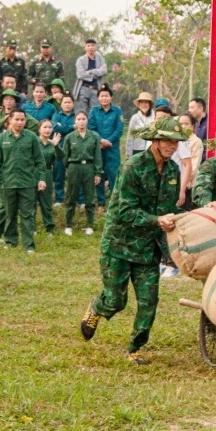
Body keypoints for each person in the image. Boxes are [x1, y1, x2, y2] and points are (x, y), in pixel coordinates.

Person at [80, 116, 187, 365]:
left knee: (149, 301)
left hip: (148, 248)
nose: (172, 146)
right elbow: (124, 211)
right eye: (168, 141)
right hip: (119, 244)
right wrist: (156, 220)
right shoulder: (133, 167)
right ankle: (97, 308)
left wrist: (183, 219)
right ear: (155, 141)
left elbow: (168, 207)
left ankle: (134, 348)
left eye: (176, 142)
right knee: (116, 301)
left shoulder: (173, 170)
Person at [0, 109, 46, 253]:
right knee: (10, 214)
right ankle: (10, 241)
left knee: (27, 214)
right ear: (10, 120)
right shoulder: (2, 138)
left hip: (27, 183)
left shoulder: (31, 137)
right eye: (17, 119)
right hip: (8, 182)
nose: (20, 122)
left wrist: (41, 179)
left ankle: (29, 245)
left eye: (22, 120)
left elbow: (40, 161)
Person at [61, 110, 103, 235]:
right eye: (78, 119)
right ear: (75, 121)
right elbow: (65, 156)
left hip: (89, 167)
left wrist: (98, 173)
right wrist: (68, 169)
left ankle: (90, 225)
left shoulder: (94, 136)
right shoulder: (69, 137)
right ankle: (68, 225)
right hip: (74, 167)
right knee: (71, 196)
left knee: (89, 198)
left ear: (87, 120)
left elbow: (97, 156)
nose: (81, 122)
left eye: (83, 119)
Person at [89, 86, 124, 207]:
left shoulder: (117, 111)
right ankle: (101, 202)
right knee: (99, 173)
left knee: (114, 174)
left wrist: (108, 141)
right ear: (98, 98)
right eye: (102, 96)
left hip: (112, 148)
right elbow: (91, 128)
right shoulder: (94, 111)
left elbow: (119, 129)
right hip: (98, 148)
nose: (104, 98)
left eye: (106, 96)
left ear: (111, 97)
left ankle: (115, 202)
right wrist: (101, 140)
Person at [35, 118, 62, 235]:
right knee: (31, 202)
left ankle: (49, 228)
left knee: (46, 202)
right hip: (33, 173)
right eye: (45, 127)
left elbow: (60, 157)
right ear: (39, 129)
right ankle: (31, 228)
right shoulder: (34, 142)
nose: (47, 130)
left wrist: (56, 146)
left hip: (47, 173)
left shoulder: (52, 144)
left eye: (50, 127)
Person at [51, 94, 77, 205]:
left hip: (75, 149)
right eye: (65, 102)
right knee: (59, 175)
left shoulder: (77, 115)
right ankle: (59, 199)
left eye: (69, 102)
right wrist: (72, 127)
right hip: (60, 148)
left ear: (73, 104)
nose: (67, 104)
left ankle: (76, 199)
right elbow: (56, 128)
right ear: (61, 104)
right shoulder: (56, 115)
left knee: (75, 175)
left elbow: (80, 128)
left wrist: (63, 128)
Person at [73, 39, 107, 116]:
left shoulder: (100, 59)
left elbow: (104, 70)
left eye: (92, 45)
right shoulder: (81, 60)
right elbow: (81, 74)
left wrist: (90, 72)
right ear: (85, 47)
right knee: (81, 112)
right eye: (88, 46)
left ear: (96, 47)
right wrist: (96, 74)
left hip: (96, 89)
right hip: (83, 88)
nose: (90, 47)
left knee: (95, 112)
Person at [0, 40, 28, 110]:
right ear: (6, 48)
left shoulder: (21, 62)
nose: (12, 51)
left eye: (14, 49)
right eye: (10, 48)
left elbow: (24, 78)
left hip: (17, 92)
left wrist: (24, 92)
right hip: (4, 93)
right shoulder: (1, 62)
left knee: (19, 110)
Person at [178, 113, 204, 204]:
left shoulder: (196, 141)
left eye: (186, 124)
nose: (183, 126)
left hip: (189, 182)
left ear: (193, 126)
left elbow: (194, 164)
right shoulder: (176, 139)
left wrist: (187, 180)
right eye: (181, 124)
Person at [126, 92, 155, 157]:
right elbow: (130, 136)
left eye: (146, 102)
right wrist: (129, 153)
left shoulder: (154, 116)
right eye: (141, 102)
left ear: (150, 104)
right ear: (139, 104)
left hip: (151, 149)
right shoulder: (135, 117)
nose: (144, 104)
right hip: (137, 150)